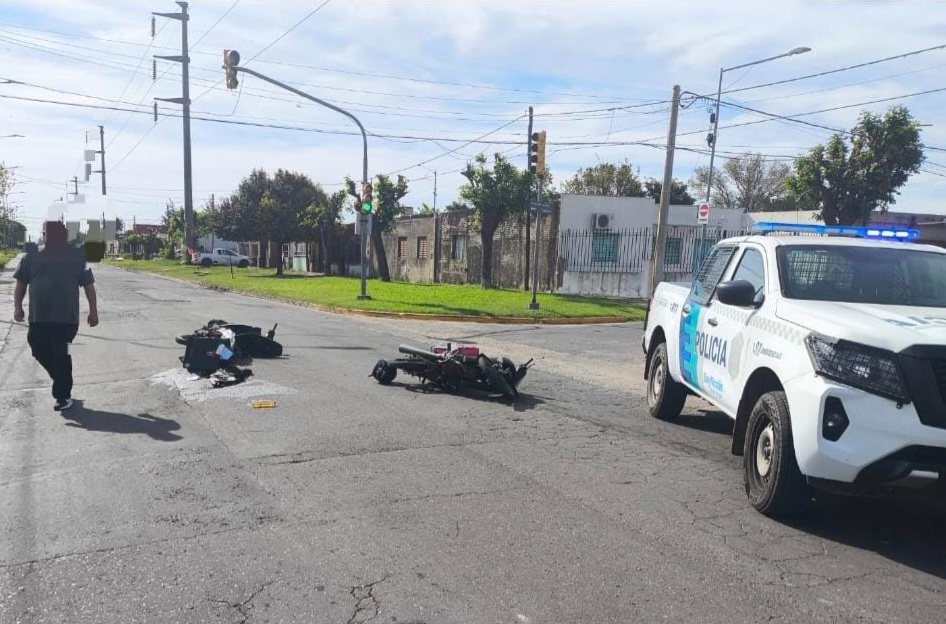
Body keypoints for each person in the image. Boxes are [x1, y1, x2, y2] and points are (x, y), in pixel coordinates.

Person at [12, 221, 98, 411]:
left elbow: (89, 286)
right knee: (38, 349)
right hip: (38, 317)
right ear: (43, 235)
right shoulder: (31, 258)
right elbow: (21, 285)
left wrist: (93, 311)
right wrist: (18, 307)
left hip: (66, 319)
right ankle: (62, 380)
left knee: (60, 355)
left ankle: (62, 395)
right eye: (47, 234)